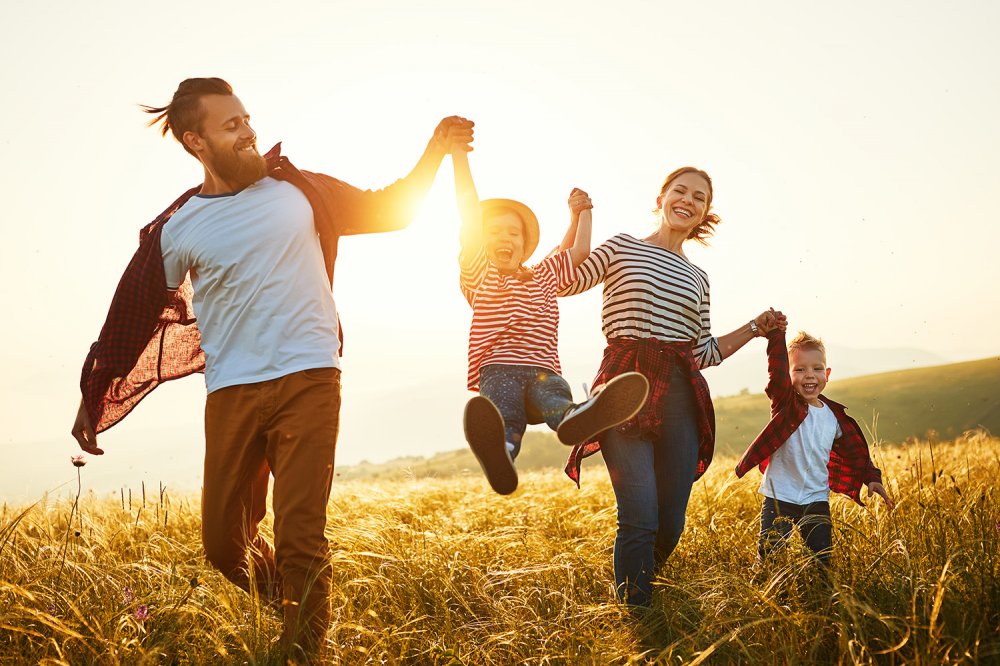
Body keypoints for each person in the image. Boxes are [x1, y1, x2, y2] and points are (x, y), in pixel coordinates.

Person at [69, 77, 473, 660]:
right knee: (223, 545)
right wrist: (93, 393)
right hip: (231, 391)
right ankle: (298, 604)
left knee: (299, 534)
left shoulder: (299, 191)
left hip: (309, 378)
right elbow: (132, 315)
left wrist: (435, 148)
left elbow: (392, 209)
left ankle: (303, 647)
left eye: (247, 119)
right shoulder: (179, 227)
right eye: (231, 125)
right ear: (195, 141)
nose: (249, 131)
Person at [558, 166, 784, 606]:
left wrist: (756, 327)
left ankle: (639, 583)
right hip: (624, 388)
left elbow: (703, 352)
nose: (688, 200)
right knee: (639, 515)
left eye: (699, 197)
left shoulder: (699, 278)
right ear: (661, 197)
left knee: (670, 524)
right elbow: (567, 280)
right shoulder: (622, 247)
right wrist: (578, 217)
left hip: (681, 392)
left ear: (704, 213)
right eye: (680, 190)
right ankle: (637, 614)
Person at [453, 148, 649, 495]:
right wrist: (459, 158)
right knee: (505, 417)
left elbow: (577, 251)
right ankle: (503, 455)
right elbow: (468, 211)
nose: (505, 238)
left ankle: (578, 418)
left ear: (525, 245)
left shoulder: (543, 275)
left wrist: (583, 213)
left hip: (544, 371)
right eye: (494, 232)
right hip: (499, 370)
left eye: (513, 234)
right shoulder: (479, 274)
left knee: (556, 400)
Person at [735, 329, 895, 566]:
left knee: (821, 560)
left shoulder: (834, 417)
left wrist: (871, 477)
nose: (809, 375)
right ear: (788, 376)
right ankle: (766, 593)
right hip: (779, 496)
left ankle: (821, 599)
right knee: (770, 558)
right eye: (799, 369)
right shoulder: (785, 405)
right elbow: (776, 370)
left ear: (827, 374)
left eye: (817, 369)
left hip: (816, 498)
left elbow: (855, 452)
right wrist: (777, 333)